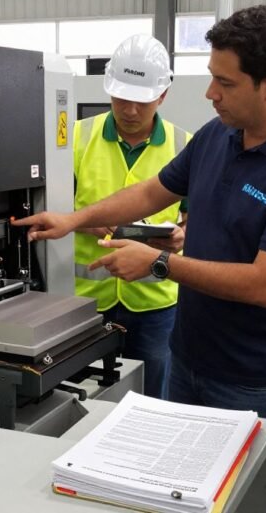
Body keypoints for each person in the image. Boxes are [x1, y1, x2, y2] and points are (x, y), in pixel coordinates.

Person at [14, 4, 266, 513]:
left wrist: (158, 264)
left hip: (253, 378)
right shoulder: (218, 136)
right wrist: (72, 220)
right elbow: (152, 192)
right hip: (190, 357)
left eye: (224, 83)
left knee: (252, 501)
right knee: (181, 495)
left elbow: (265, 284)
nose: (210, 94)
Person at [74, 34, 191, 400]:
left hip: (154, 303)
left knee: (150, 398)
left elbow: (196, 216)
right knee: (84, 398)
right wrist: (83, 218)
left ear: (162, 95)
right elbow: (51, 206)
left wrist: (184, 235)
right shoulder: (77, 137)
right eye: (121, 97)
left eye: (141, 101)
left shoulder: (184, 146)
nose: (129, 110)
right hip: (86, 298)